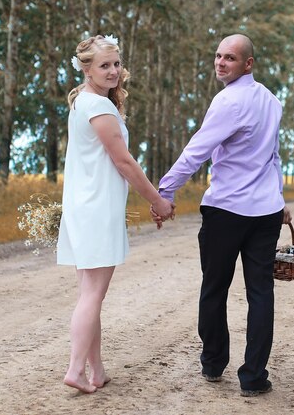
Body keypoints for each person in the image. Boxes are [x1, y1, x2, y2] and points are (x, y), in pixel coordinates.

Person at [154, 33, 292, 397]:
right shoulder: (272, 101)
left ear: (248, 64)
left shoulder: (228, 100)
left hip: (227, 210)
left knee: (214, 289)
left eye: (229, 58)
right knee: (261, 293)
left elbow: (196, 150)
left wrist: (164, 191)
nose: (220, 62)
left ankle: (214, 363)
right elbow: (274, 158)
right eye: (217, 56)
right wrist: (279, 198)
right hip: (264, 212)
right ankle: (253, 378)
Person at [57, 34, 174, 393]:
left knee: (89, 294)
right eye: (104, 65)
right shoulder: (100, 108)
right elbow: (123, 162)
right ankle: (75, 370)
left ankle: (96, 371)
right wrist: (158, 201)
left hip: (82, 206)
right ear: (87, 68)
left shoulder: (82, 101)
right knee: (93, 295)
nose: (113, 71)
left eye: (116, 64)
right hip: (97, 209)